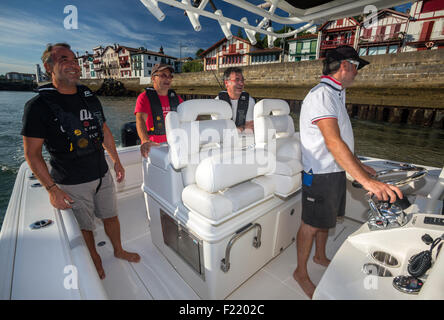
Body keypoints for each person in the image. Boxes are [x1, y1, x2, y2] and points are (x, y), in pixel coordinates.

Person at [21, 43, 140, 280]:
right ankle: (94, 259)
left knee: (111, 216)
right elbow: (32, 154)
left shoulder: (88, 96)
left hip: (101, 173)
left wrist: (116, 160)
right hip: (71, 182)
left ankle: (118, 250)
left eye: (75, 60)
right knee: (85, 227)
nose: (73, 64)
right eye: (64, 59)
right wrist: (52, 189)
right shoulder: (37, 106)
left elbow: (104, 130)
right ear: (48, 66)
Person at [293, 45, 403, 299]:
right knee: (310, 224)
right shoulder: (322, 95)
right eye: (356, 67)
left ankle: (319, 256)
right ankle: (300, 272)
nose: (357, 73)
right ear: (345, 65)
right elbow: (332, 141)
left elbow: (340, 139)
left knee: (326, 218)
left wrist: (358, 163)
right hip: (318, 173)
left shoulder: (336, 94)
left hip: (334, 170)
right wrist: (366, 181)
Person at [134, 63, 183, 158]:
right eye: (163, 75)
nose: (168, 79)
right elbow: (140, 120)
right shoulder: (144, 97)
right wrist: (145, 140)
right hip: (155, 148)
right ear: (153, 78)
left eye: (170, 76)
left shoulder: (177, 98)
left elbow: (188, 117)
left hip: (175, 146)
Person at [216, 67, 255, 133]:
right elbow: (219, 130)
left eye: (242, 80)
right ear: (226, 83)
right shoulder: (217, 102)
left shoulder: (249, 101)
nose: (241, 83)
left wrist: (233, 130)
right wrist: (242, 128)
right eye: (237, 80)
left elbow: (250, 128)